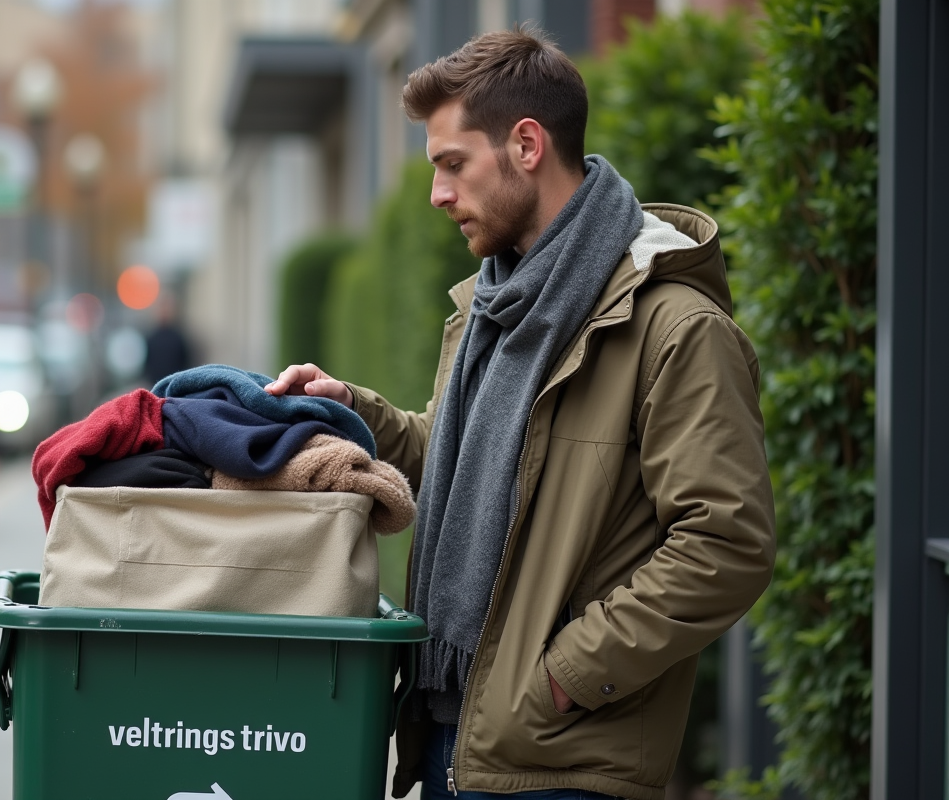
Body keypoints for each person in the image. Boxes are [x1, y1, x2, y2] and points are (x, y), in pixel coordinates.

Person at [266, 27, 775, 800]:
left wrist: (569, 676)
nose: (438, 193)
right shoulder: (496, 308)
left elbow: (726, 543)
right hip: (450, 728)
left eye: (452, 164)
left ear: (528, 145)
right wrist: (353, 411)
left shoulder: (675, 327)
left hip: (562, 759)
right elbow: (459, 459)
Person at [142, 292, 194, 387]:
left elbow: (186, 364)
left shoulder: (179, 338)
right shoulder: (151, 338)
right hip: (155, 387)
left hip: (175, 387)